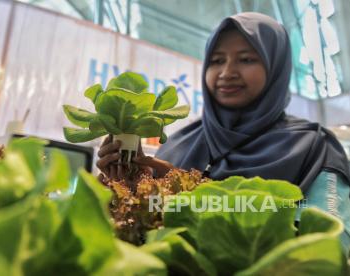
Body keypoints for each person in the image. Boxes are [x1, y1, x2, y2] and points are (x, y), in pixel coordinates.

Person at [96, 12, 350, 254]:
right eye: (217, 61)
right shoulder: (179, 142)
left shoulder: (314, 147)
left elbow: (327, 246)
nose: (227, 73)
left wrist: (196, 195)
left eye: (246, 59)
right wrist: (124, 189)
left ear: (275, 67)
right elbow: (141, 236)